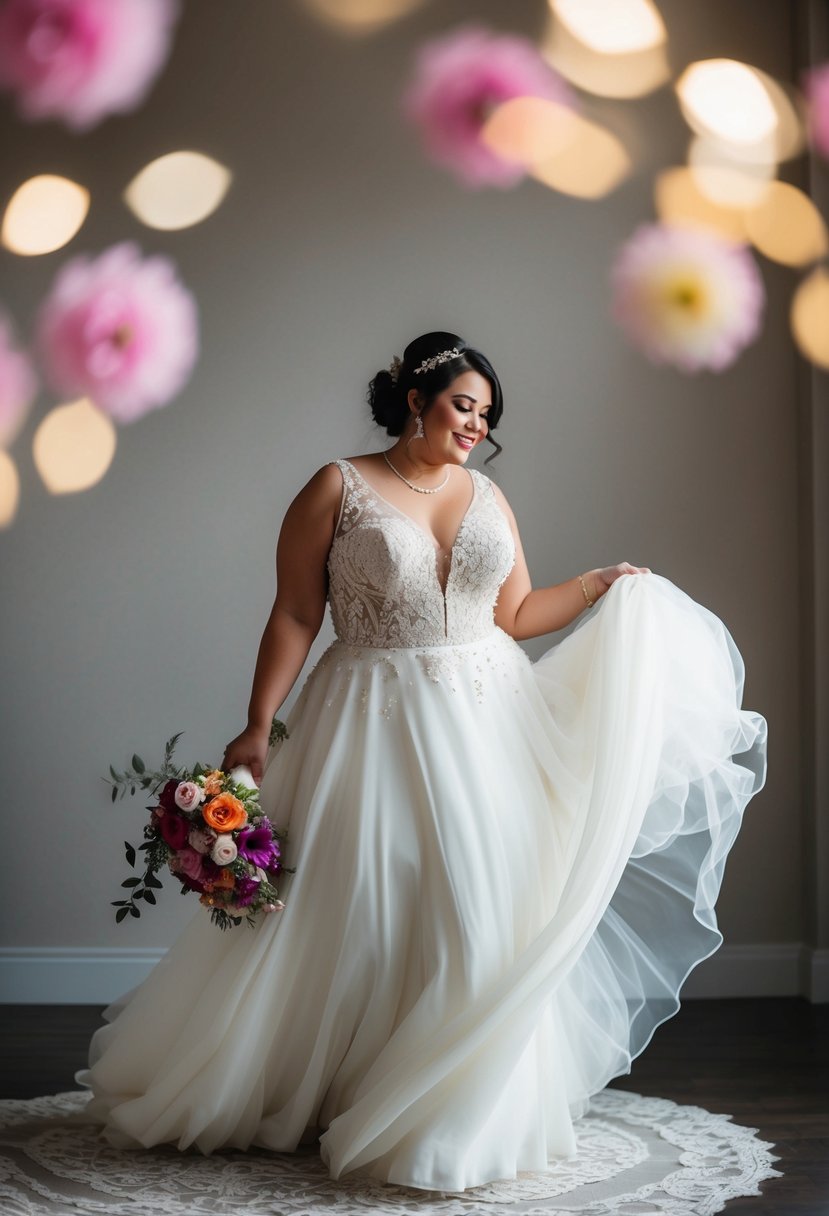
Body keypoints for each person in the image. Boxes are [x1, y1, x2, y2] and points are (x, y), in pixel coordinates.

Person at [76, 331, 767, 1194]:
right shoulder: (338, 486)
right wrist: (257, 725)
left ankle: (451, 1108)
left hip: (488, 719)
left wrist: (597, 585)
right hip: (368, 714)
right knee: (363, 905)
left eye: (486, 412)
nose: (475, 423)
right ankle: (336, 1086)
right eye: (462, 404)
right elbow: (294, 613)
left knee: (480, 907)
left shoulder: (488, 496)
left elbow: (512, 612)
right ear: (416, 399)